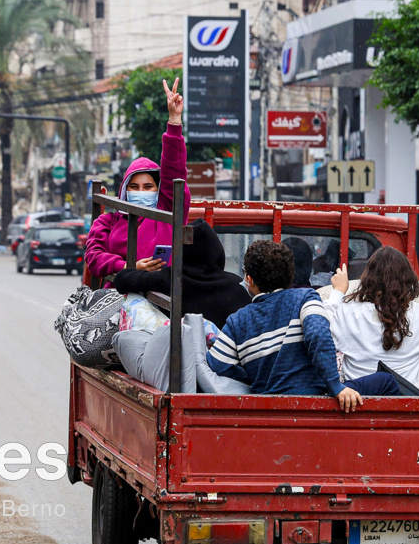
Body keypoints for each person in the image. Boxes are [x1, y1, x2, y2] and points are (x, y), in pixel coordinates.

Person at [207, 240, 397, 411]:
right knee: (386, 381)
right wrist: (336, 386)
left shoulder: (237, 321)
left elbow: (217, 364)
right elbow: (318, 335)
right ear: (290, 275)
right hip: (312, 401)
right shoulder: (304, 298)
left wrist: (251, 377)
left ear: (249, 280)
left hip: (265, 404)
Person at [84, 79, 190, 285]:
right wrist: (129, 267)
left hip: (164, 298)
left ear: (158, 189)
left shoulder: (168, 210)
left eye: (148, 187)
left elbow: (175, 169)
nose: (141, 192)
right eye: (134, 187)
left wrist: (174, 120)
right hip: (118, 298)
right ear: (124, 189)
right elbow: (94, 257)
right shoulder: (108, 221)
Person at [324, 245, 419, 388]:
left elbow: (319, 323)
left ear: (366, 279)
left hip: (357, 402)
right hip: (410, 404)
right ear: (409, 280)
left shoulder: (346, 314)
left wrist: (338, 291)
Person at [113, 220, 251, 328]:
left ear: (182, 251)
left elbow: (121, 280)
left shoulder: (170, 277)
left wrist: (142, 268)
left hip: (180, 353)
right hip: (221, 356)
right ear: (217, 250)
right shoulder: (237, 284)